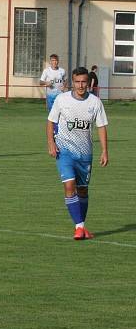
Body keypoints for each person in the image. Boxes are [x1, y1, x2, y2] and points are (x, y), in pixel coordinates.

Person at [46, 67, 109, 240]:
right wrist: (51, 143)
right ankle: (79, 227)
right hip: (64, 150)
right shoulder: (62, 99)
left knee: (82, 190)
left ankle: (81, 227)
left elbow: (101, 126)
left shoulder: (95, 102)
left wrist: (104, 151)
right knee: (69, 185)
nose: (81, 85)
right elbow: (51, 122)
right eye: (77, 82)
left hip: (85, 154)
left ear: (88, 83)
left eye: (84, 82)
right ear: (72, 82)